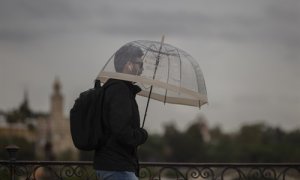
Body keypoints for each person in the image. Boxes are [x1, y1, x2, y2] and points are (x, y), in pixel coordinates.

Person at [94, 44, 148, 180]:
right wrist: (142, 135)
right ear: (129, 65)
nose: (142, 69)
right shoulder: (120, 90)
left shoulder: (114, 88)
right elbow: (122, 131)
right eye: (139, 64)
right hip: (117, 167)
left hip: (112, 165)